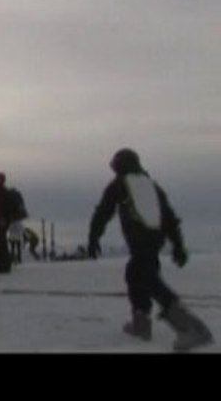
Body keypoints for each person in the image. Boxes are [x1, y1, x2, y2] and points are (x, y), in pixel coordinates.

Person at [88, 148, 213, 351]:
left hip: (140, 242)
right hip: (154, 241)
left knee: (149, 280)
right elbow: (170, 218)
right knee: (135, 274)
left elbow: (103, 212)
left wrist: (93, 238)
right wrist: (178, 246)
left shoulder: (120, 184)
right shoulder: (152, 186)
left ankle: (192, 328)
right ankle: (141, 322)